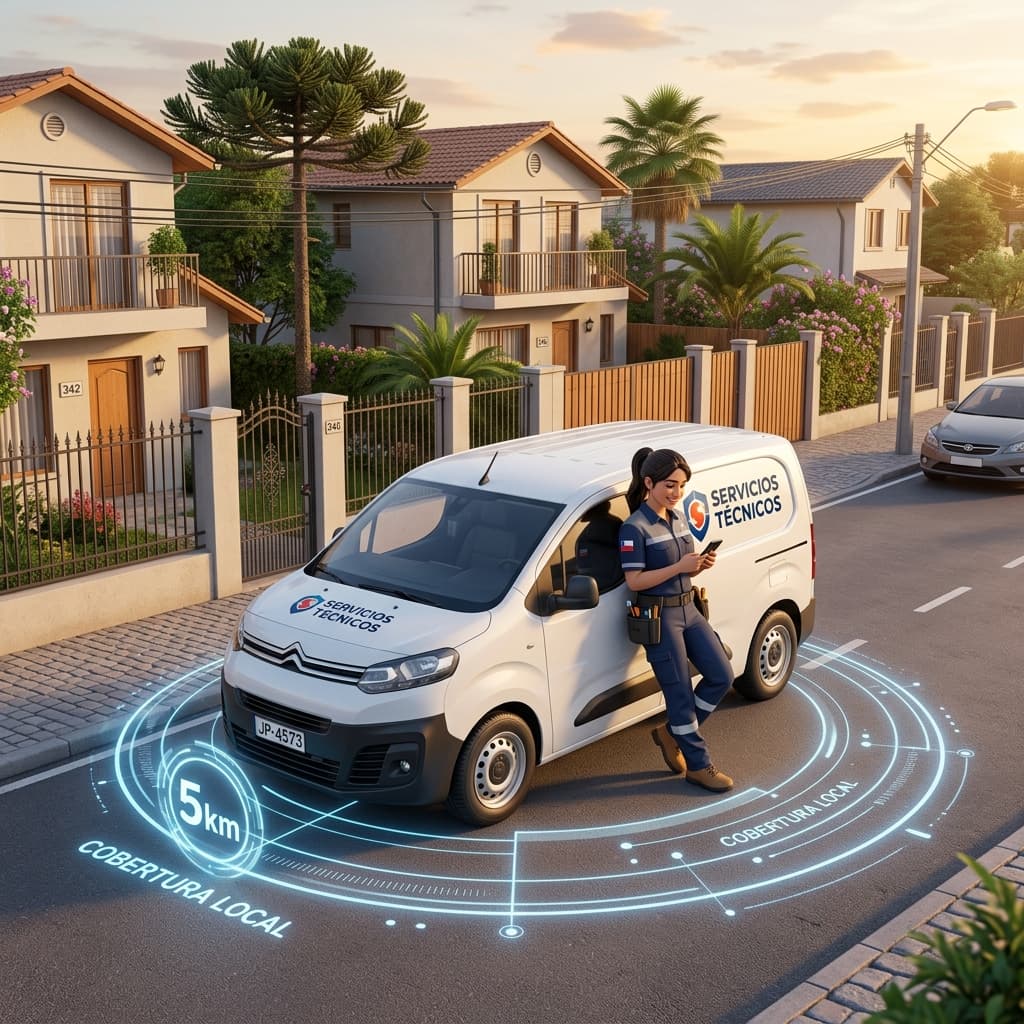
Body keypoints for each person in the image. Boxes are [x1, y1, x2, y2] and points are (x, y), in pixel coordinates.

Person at [618, 447, 735, 793]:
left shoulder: (677, 516)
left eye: (681, 486)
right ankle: (698, 766)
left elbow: (683, 564)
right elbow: (634, 581)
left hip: (690, 609)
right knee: (680, 693)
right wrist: (679, 567)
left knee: (721, 674)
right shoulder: (633, 528)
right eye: (670, 485)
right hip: (661, 615)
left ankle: (672, 733)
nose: (676, 493)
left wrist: (698, 565)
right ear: (649, 482)